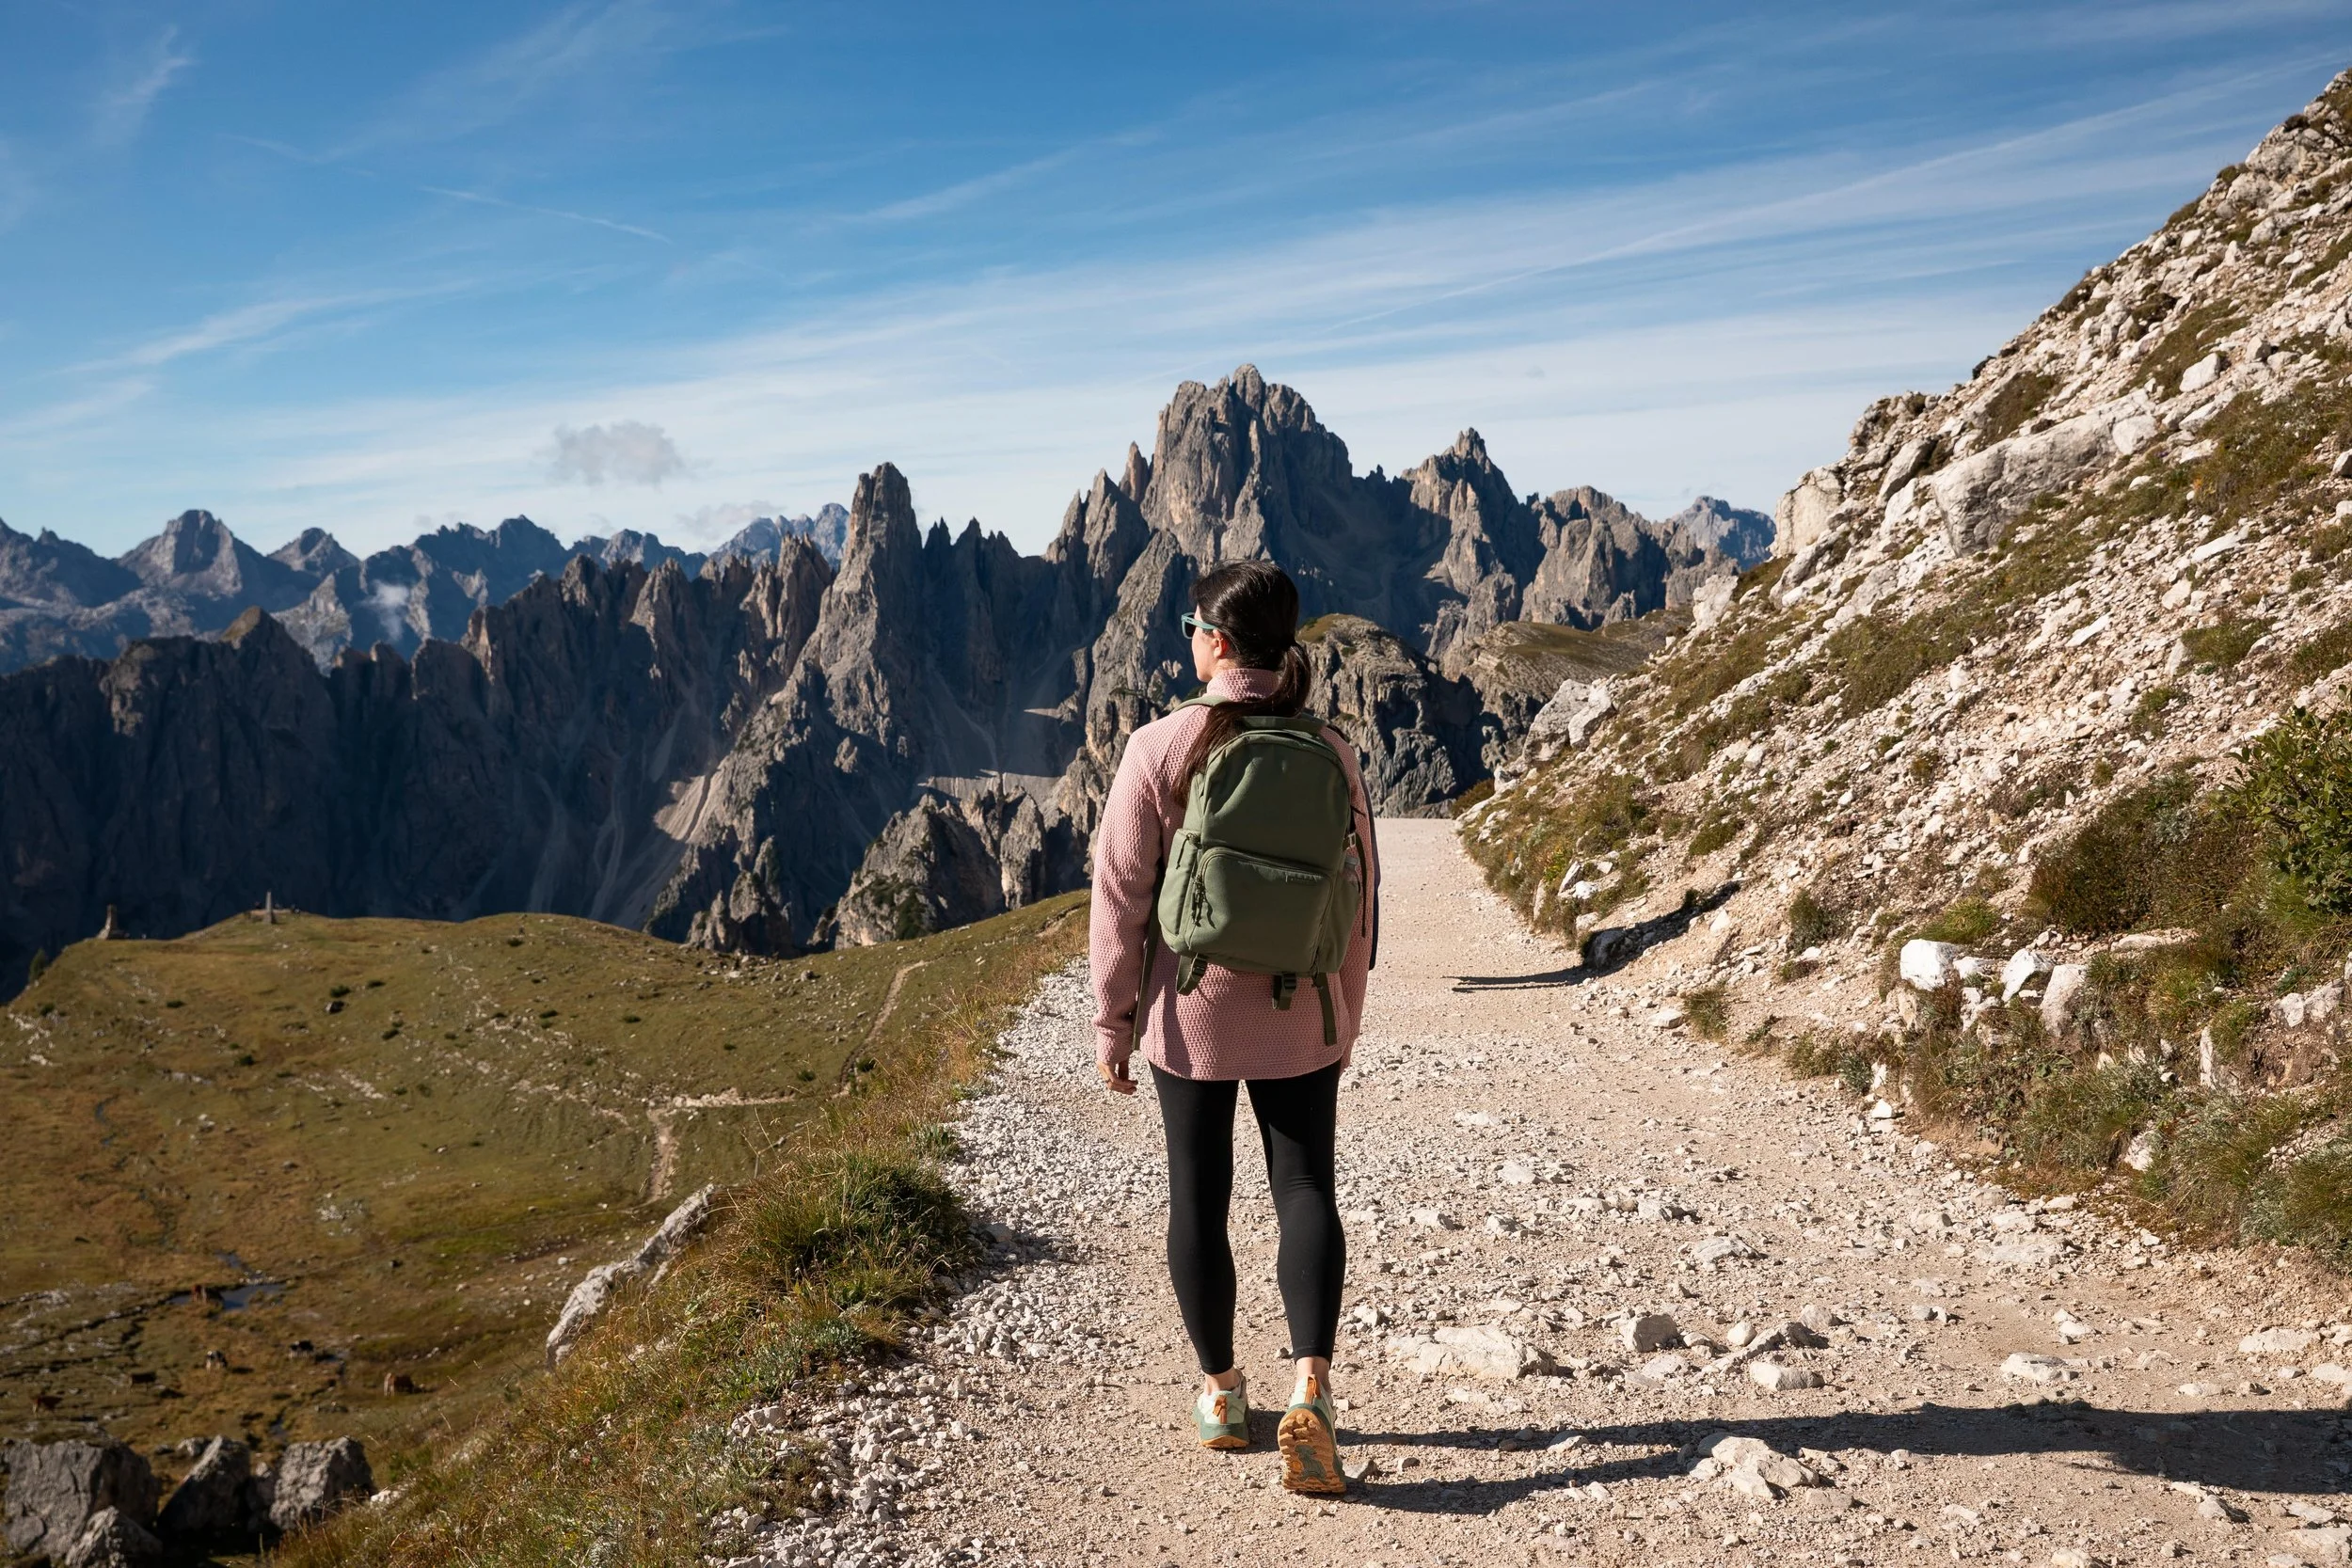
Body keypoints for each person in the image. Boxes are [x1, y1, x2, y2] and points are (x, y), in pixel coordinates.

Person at [1088, 561, 1379, 1497]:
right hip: (1305, 1008)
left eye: (1190, 625)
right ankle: (1313, 1392)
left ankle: (1220, 1393)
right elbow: (1360, 897)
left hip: (1192, 1011)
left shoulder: (1161, 745)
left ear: (1215, 640)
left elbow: (1120, 897)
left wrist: (1113, 1021)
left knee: (1197, 1195)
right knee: (1303, 1186)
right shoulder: (1329, 747)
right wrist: (1344, 1013)